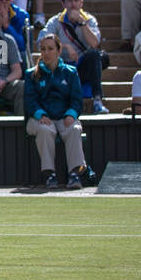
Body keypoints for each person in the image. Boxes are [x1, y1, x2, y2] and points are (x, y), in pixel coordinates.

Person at [25, 34, 91, 189]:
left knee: (74, 128)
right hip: (40, 119)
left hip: (64, 117)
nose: (46, 53)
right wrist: (41, 114)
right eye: (43, 49)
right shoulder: (31, 74)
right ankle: (50, 174)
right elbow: (30, 101)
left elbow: (76, 100)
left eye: (50, 49)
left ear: (59, 50)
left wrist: (71, 114)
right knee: (44, 129)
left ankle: (75, 173)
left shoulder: (71, 72)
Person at [41, 0, 108, 114]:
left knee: (94, 54)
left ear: (81, 3)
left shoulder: (89, 20)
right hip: (63, 67)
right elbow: (42, 40)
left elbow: (95, 43)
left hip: (83, 66)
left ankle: (98, 101)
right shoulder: (55, 21)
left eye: (76, 0)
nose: (73, 4)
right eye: (69, 1)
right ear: (63, 4)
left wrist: (82, 23)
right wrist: (64, 45)